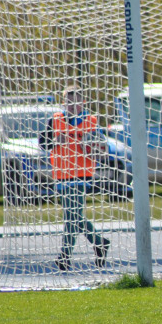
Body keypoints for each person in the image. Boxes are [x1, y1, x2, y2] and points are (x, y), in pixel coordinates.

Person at [46, 82, 110, 271]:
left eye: (76, 103)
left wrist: (92, 149)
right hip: (61, 174)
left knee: (71, 216)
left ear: (82, 102)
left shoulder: (91, 121)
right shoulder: (55, 120)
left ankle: (64, 256)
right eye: (69, 103)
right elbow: (43, 143)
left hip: (82, 174)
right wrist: (54, 141)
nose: (73, 106)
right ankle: (99, 243)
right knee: (74, 216)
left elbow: (102, 148)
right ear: (64, 103)